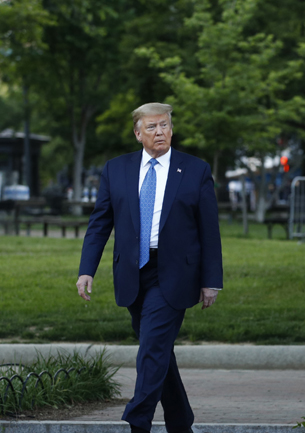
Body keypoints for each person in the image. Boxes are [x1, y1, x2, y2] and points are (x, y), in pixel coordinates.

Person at [76, 102, 223, 433]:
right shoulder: (116, 169)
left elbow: (209, 230)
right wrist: (87, 269)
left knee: (152, 348)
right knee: (158, 351)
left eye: (165, 126)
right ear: (138, 133)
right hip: (131, 272)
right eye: (153, 127)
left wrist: (211, 280)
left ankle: (137, 420)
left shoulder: (195, 169)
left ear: (172, 129)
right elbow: (100, 223)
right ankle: (181, 422)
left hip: (174, 273)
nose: (160, 132)